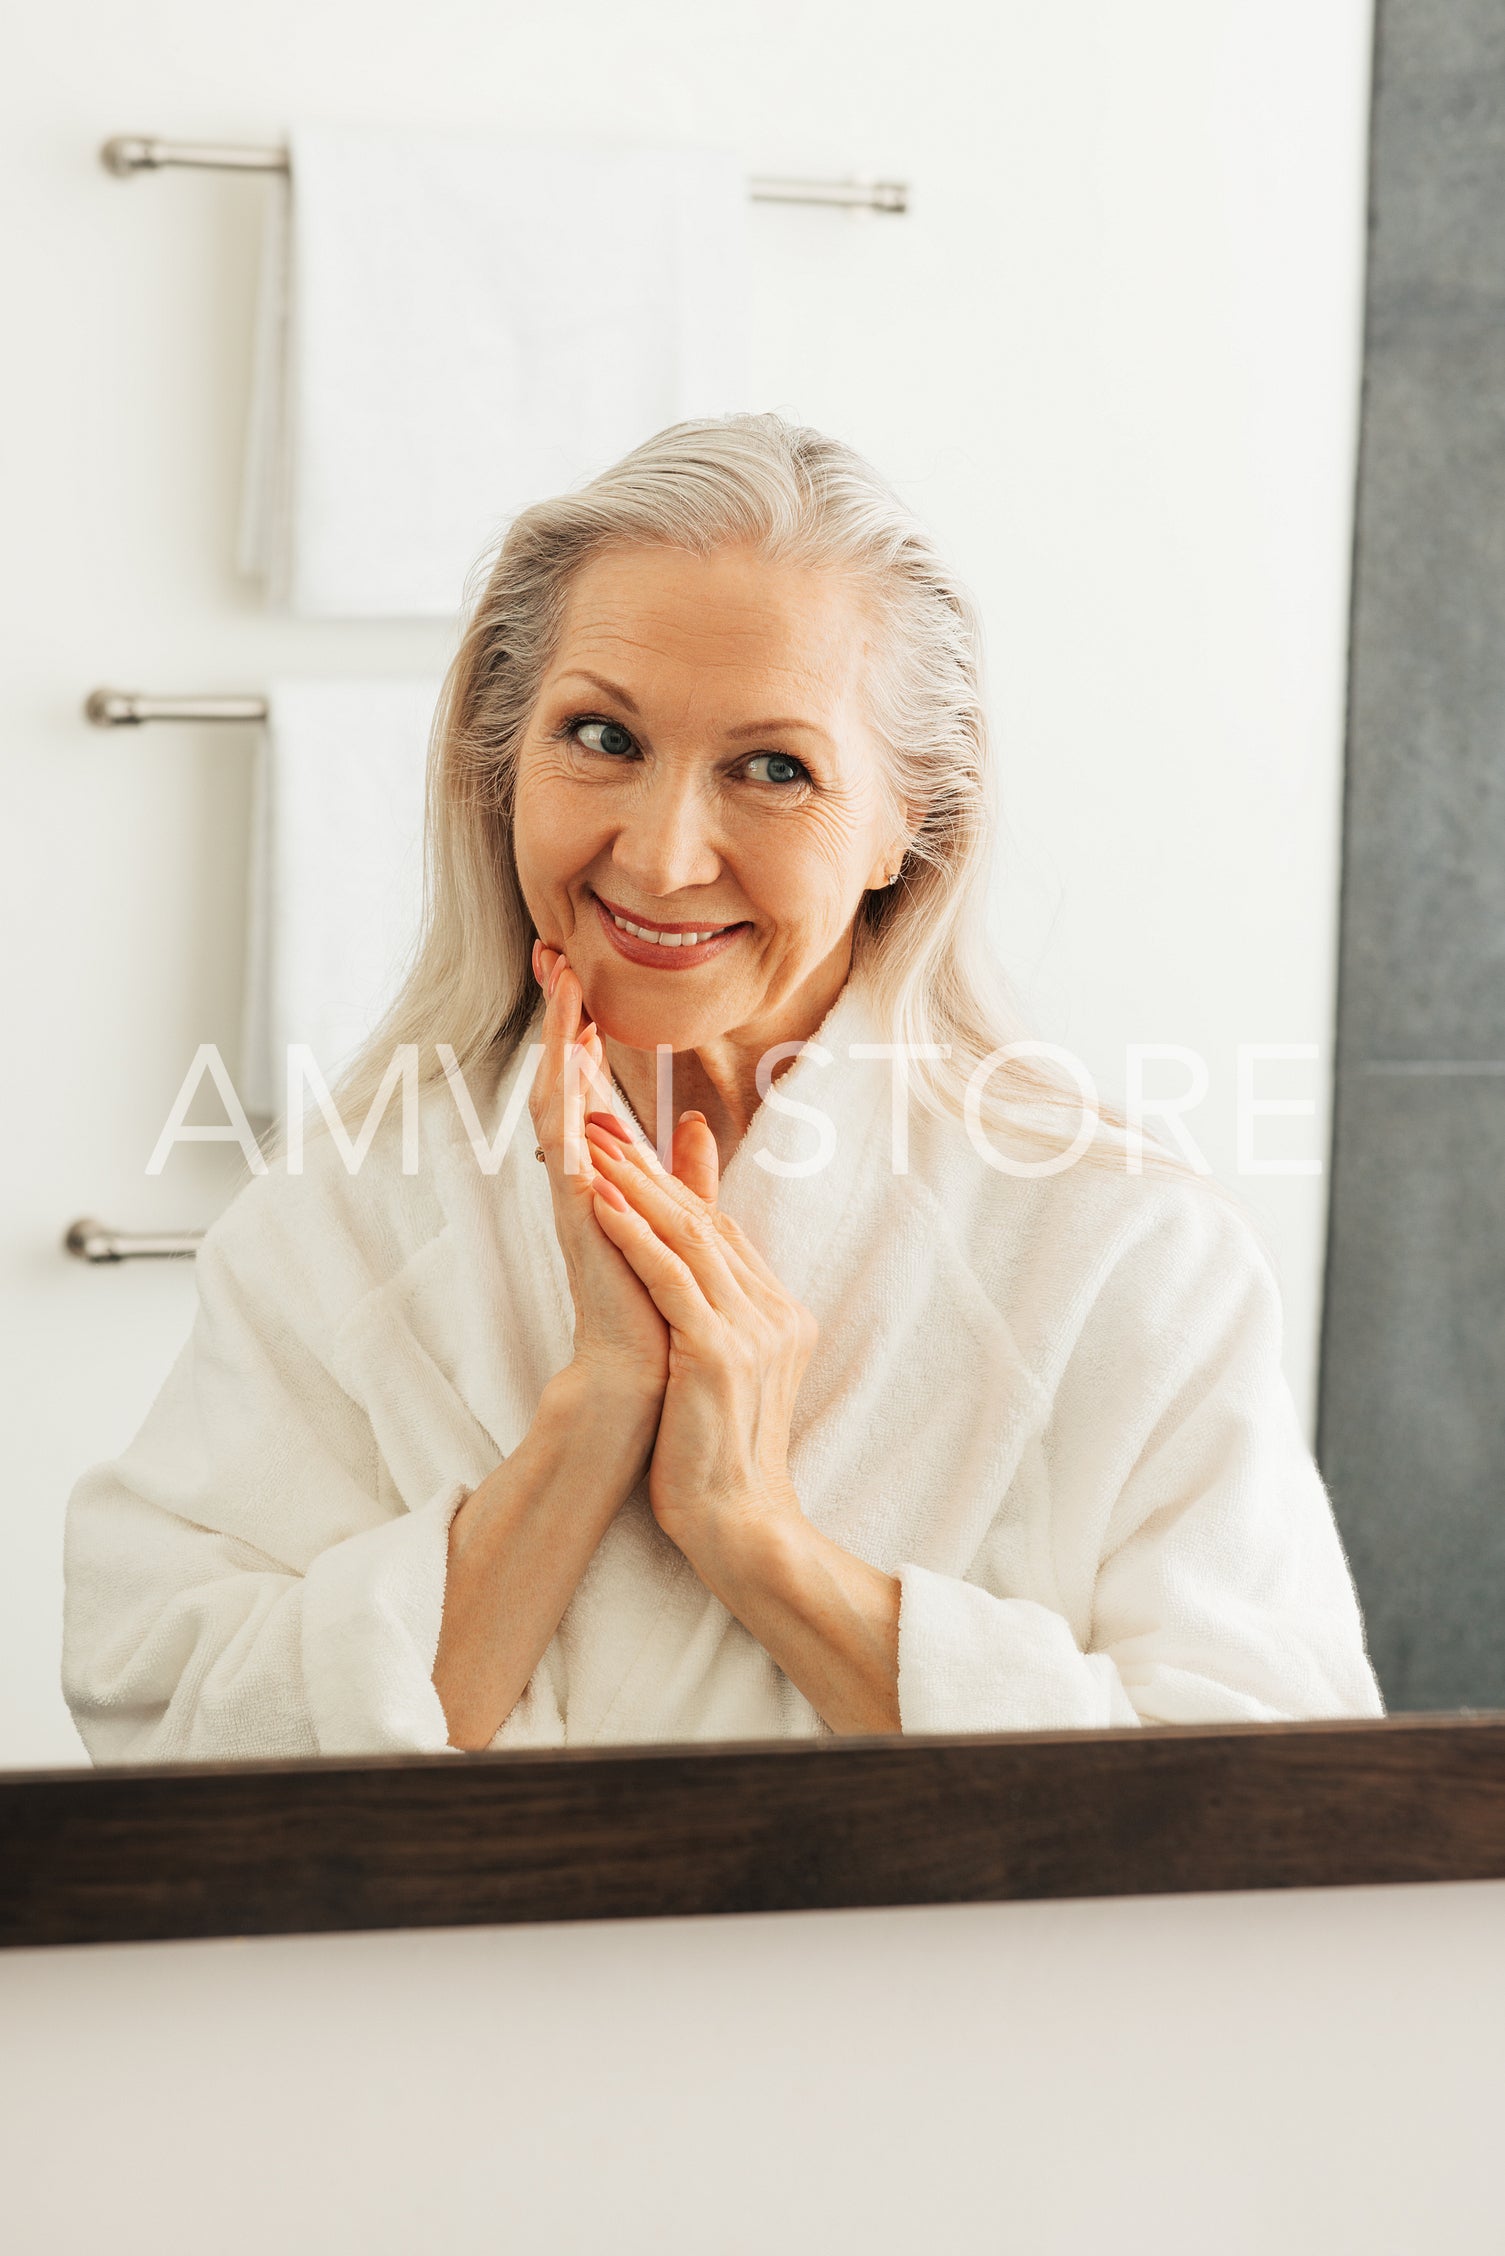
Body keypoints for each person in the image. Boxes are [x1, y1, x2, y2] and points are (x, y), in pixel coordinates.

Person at [61, 411, 1383, 1761]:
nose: (662, 853)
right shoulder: (342, 1213)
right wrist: (584, 1434)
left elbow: (1270, 1784)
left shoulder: (1119, 1250)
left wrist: (749, 1530)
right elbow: (152, 1708)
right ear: (503, 762)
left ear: (902, 827)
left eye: (772, 768)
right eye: (602, 738)